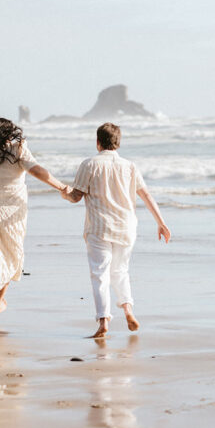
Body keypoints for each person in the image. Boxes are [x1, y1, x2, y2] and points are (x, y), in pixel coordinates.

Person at [62, 122, 170, 338]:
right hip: (126, 227)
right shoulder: (130, 166)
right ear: (118, 143)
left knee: (100, 273)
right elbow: (146, 195)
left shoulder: (89, 164)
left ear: (98, 142)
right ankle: (128, 310)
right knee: (120, 271)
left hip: (99, 227)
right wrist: (161, 222)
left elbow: (75, 196)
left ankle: (103, 322)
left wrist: (63, 192)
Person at [0, 117, 70, 324]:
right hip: (11, 210)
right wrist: (62, 186)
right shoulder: (18, 148)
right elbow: (36, 170)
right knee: (12, 252)